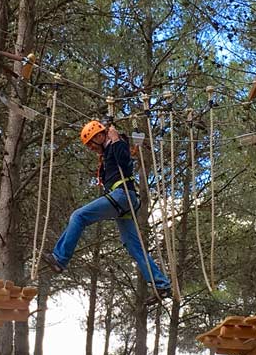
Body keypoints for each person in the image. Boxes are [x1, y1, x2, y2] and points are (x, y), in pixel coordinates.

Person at [42, 120, 173, 306]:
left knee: (78, 216)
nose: (91, 149)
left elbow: (126, 165)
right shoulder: (107, 153)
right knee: (133, 245)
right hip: (123, 200)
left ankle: (60, 258)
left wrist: (117, 140)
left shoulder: (116, 145)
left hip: (122, 196)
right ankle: (161, 284)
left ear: (99, 136)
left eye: (91, 144)